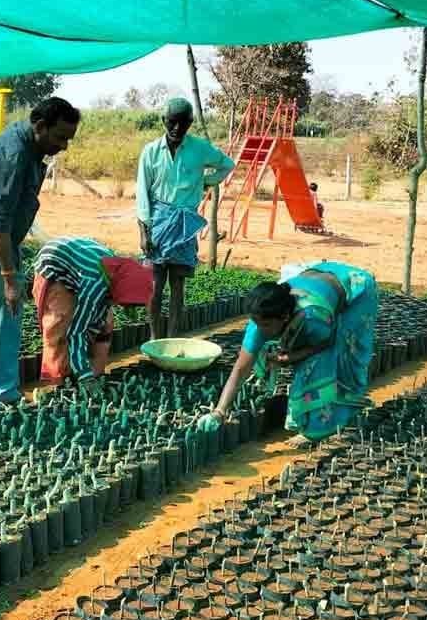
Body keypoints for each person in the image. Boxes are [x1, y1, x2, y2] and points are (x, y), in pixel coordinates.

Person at [0, 97, 80, 417]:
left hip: (7, 247)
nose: (63, 145)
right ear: (39, 127)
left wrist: (12, 266)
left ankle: (8, 391)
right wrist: (9, 277)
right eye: (60, 137)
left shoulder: (33, 150)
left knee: (9, 322)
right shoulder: (14, 155)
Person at [201, 262, 377, 444]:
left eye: (267, 325)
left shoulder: (313, 317)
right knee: (300, 357)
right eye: (258, 323)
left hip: (356, 290)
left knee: (339, 358)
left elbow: (326, 343)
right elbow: (241, 368)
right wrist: (219, 411)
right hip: (320, 278)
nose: (262, 330)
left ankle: (322, 427)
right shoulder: (261, 320)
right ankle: (315, 415)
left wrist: (292, 357)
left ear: (285, 317)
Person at [136, 98, 235, 340]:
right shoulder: (150, 151)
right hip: (158, 222)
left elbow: (227, 165)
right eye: (172, 122)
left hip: (185, 223)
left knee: (178, 285)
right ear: (163, 121)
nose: (177, 128)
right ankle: (153, 337)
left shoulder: (199, 148)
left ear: (190, 123)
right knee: (155, 284)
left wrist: (204, 182)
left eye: (183, 123)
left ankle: (172, 336)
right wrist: (143, 232)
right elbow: (142, 193)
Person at [32, 237, 153, 383]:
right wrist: (85, 378)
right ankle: (59, 381)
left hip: (81, 265)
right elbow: (76, 332)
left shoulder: (117, 272)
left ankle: (94, 374)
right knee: (60, 326)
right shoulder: (94, 286)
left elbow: (103, 307)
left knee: (104, 325)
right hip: (54, 265)